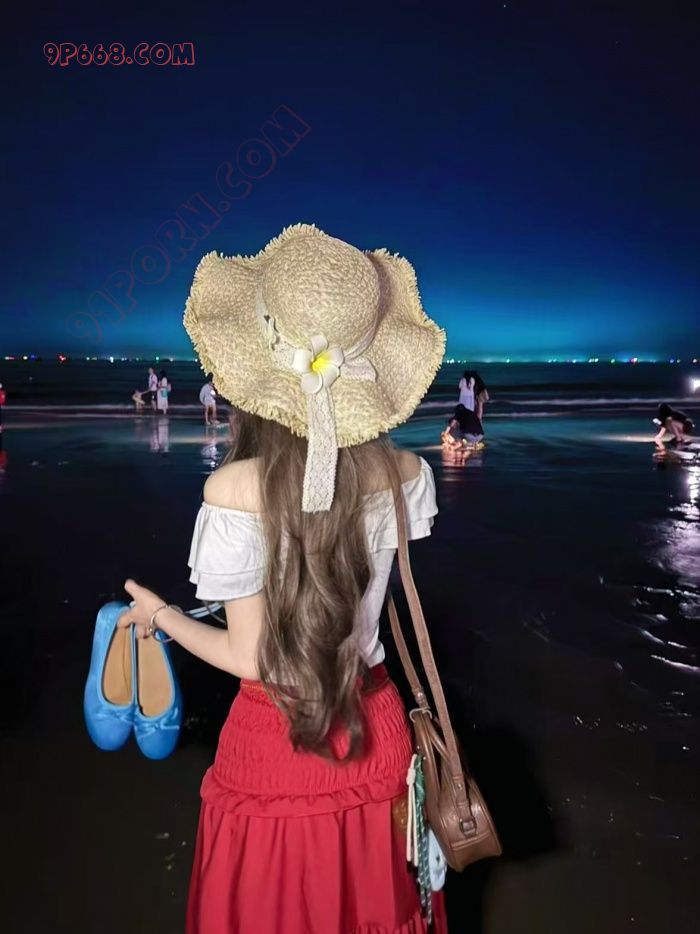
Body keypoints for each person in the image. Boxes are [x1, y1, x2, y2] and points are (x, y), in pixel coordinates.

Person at [117, 224, 448, 933]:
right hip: (377, 727)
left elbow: (250, 657)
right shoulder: (406, 474)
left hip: (276, 743)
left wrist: (161, 615)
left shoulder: (235, 490)